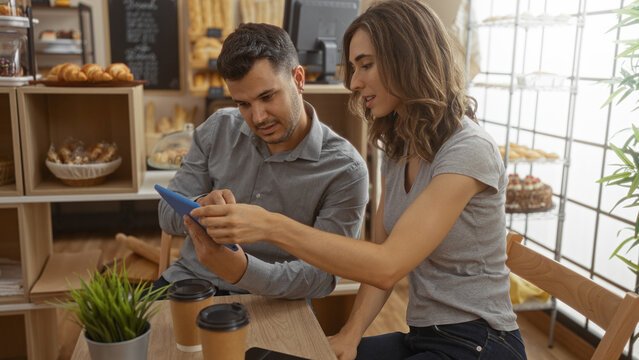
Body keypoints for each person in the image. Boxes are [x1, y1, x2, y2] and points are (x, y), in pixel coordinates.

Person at [186, 1, 527, 359]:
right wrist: (350, 335)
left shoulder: (469, 150)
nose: (353, 82)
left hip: (482, 344)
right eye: (353, 67)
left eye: (365, 65)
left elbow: (388, 265)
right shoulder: (400, 149)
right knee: (265, 355)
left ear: (408, 58)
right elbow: (376, 259)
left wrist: (270, 226)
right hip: (426, 338)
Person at [156, 22, 369, 300]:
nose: (258, 117)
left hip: (276, 299)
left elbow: (321, 276)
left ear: (299, 79)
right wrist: (199, 206)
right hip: (189, 280)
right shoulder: (217, 128)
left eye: (267, 97)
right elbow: (165, 215)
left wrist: (243, 271)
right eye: (243, 104)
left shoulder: (345, 170)